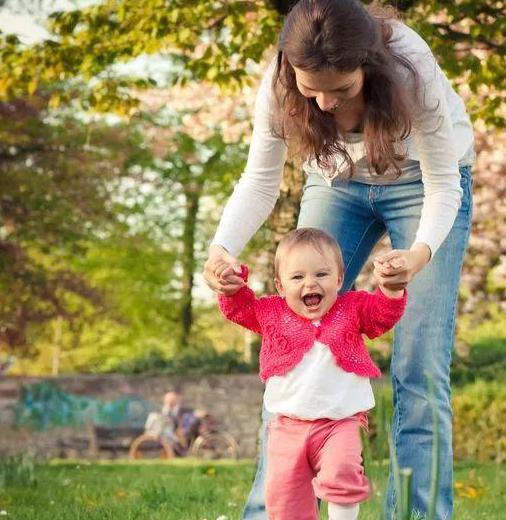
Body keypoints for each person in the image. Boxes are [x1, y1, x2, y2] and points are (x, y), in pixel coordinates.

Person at [203, 1, 474, 518]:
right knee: (294, 343)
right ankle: (272, 513)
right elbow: (260, 180)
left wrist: (418, 254)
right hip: (337, 184)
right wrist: (222, 249)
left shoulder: (412, 69)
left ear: (369, 66)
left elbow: (444, 184)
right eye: (312, 89)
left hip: (425, 186)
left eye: (341, 89)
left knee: (420, 367)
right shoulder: (281, 83)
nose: (324, 103)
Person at [218, 228, 406, 520]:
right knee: (285, 499)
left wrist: (391, 290)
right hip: (287, 427)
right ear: (280, 286)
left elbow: (381, 315)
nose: (310, 284)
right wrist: (231, 288)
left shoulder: (351, 308)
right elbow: (240, 309)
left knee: (342, 471)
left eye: (321, 275)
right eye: (298, 277)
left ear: (340, 279)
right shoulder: (272, 313)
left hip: (341, 422)